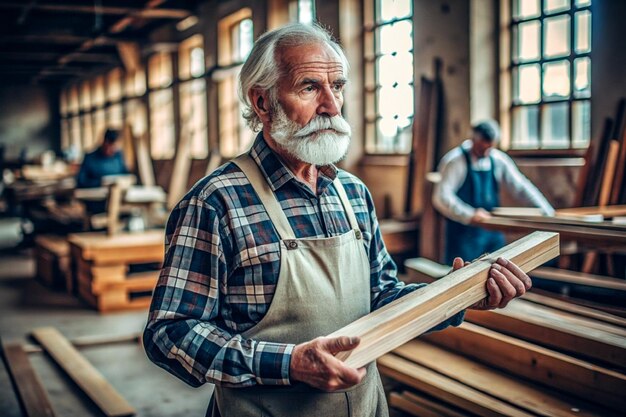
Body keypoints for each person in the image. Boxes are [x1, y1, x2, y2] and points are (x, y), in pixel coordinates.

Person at [143, 24, 532, 417]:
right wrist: (288, 363)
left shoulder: (353, 194)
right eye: (309, 88)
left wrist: (457, 294)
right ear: (262, 102)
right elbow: (169, 333)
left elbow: (381, 297)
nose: (332, 105)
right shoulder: (215, 203)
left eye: (338, 86)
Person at [433, 120, 555, 265]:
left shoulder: (498, 160)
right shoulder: (455, 161)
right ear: (473, 139)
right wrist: (469, 214)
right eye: (481, 148)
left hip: (492, 231)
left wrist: (546, 211)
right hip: (464, 234)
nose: (485, 152)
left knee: (497, 272)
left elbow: (521, 187)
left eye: (489, 148)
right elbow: (441, 197)